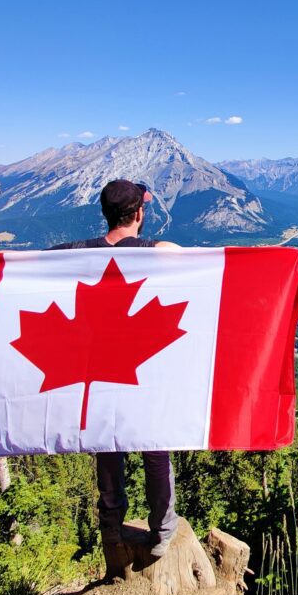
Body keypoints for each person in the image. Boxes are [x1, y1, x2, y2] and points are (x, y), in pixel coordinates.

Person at [50, 179, 180, 559]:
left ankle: (111, 524)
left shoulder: (74, 253)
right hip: (142, 370)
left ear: (105, 214)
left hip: (96, 369)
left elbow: (34, 265)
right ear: (139, 213)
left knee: (106, 446)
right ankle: (162, 530)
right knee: (156, 450)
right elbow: (180, 255)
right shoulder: (151, 252)